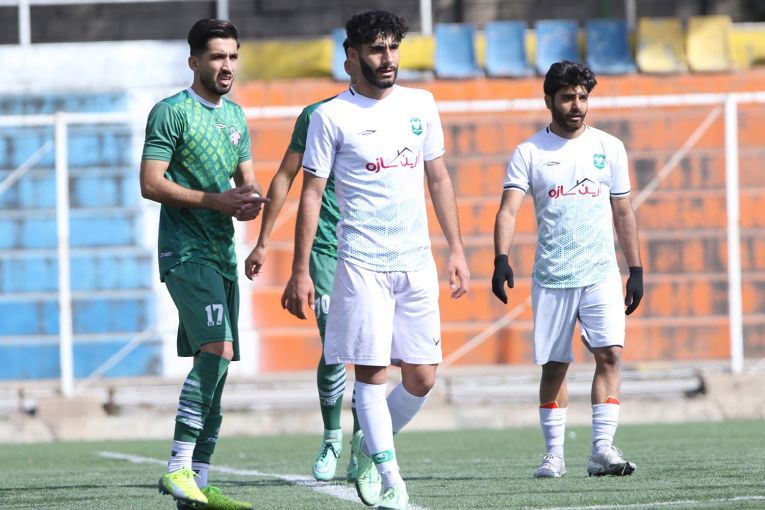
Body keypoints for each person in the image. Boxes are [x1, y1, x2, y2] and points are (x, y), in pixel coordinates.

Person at [283, 9, 470, 510]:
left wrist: (456, 248)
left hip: (416, 262)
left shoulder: (421, 104)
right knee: (371, 374)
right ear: (352, 56)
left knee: (423, 376)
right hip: (362, 264)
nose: (387, 59)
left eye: (392, 48)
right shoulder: (330, 117)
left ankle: (368, 445)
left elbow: (438, 178)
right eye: (376, 49)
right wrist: (300, 269)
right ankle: (392, 481)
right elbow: (310, 194)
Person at [492, 60, 644, 479]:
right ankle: (554, 455)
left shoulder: (609, 147)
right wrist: (501, 258)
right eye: (567, 97)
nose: (576, 105)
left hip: (600, 273)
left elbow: (623, 211)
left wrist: (635, 267)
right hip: (553, 276)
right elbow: (508, 210)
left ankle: (601, 450)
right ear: (549, 101)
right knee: (555, 365)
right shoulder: (529, 152)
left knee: (610, 354)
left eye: (582, 97)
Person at [140, 18, 267, 510]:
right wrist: (217, 201)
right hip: (185, 251)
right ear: (194, 61)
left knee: (216, 366)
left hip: (222, 255)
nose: (227, 65)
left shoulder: (235, 117)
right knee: (217, 348)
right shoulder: (171, 112)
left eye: (233, 56)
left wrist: (253, 207)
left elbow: (246, 183)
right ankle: (177, 467)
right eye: (217, 57)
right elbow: (151, 183)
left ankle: (198, 481)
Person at [243, 41, 363, 483]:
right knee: (335, 347)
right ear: (350, 62)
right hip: (327, 250)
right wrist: (262, 242)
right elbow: (285, 177)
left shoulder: (398, 113)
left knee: (372, 353)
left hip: (374, 250)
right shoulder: (318, 116)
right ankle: (333, 437)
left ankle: (364, 444)